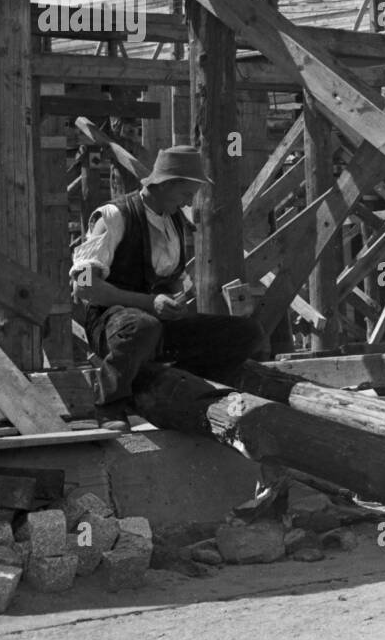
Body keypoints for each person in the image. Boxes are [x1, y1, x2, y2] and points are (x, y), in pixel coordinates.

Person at [70, 145, 264, 428]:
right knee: (142, 326)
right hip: (113, 325)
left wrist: (179, 297)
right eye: (185, 194)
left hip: (157, 325)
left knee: (246, 333)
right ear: (165, 184)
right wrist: (151, 303)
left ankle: (184, 389)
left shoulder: (173, 220)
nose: (188, 202)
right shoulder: (113, 216)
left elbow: (169, 278)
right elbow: (84, 288)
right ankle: (109, 405)